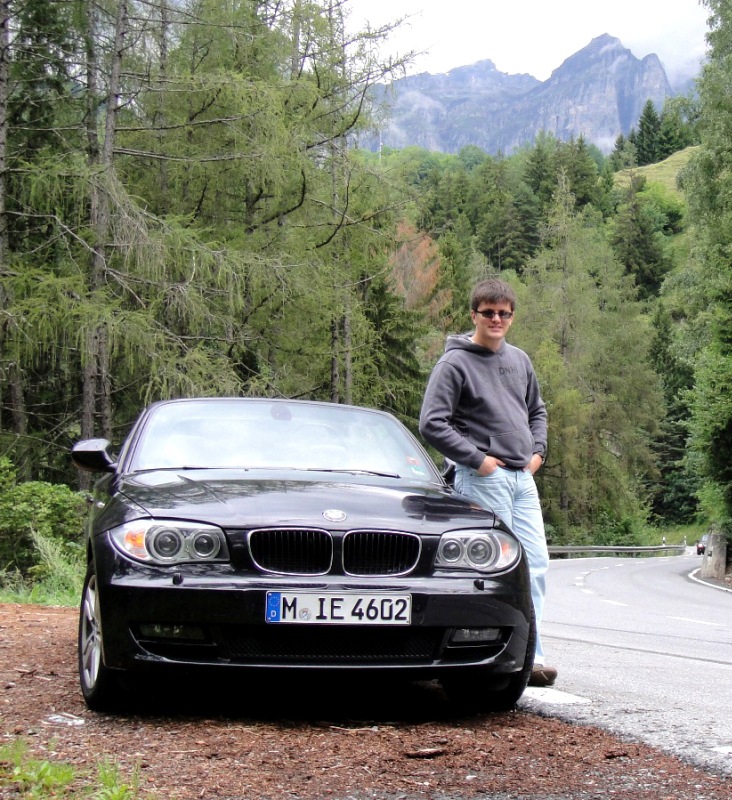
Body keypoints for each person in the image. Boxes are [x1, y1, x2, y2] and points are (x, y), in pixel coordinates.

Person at [419, 277, 557, 687]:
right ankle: (478, 659)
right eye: (489, 313)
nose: (496, 319)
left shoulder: (520, 360)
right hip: (483, 480)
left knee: (535, 566)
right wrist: (479, 462)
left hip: (521, 479)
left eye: (504, 313)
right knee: (489, 571)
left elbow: (537, 411)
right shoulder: (454, 364)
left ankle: (531, 656)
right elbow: (432, 423)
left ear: (512, 316)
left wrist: (537, 454)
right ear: (474, 315)